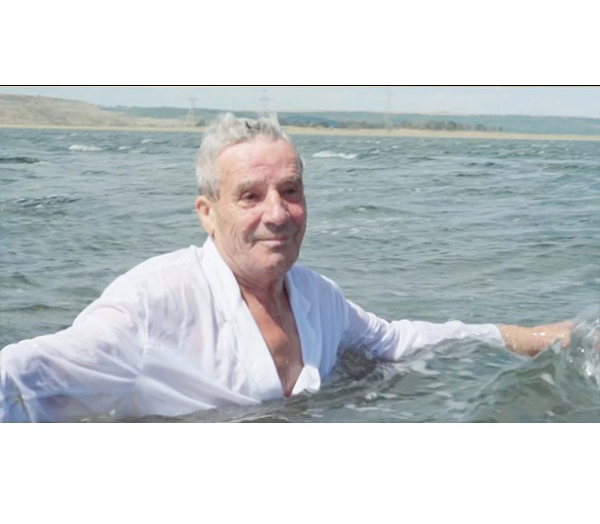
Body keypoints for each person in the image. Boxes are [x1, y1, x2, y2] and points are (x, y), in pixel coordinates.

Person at [0, 114, 572, 422]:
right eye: (250, 196)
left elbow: (402, 341)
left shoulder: (317, 297)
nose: (277, 213)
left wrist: (538, 337)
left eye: (290, 191)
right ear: (207, 212)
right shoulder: (154, 301)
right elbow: (28, 378)